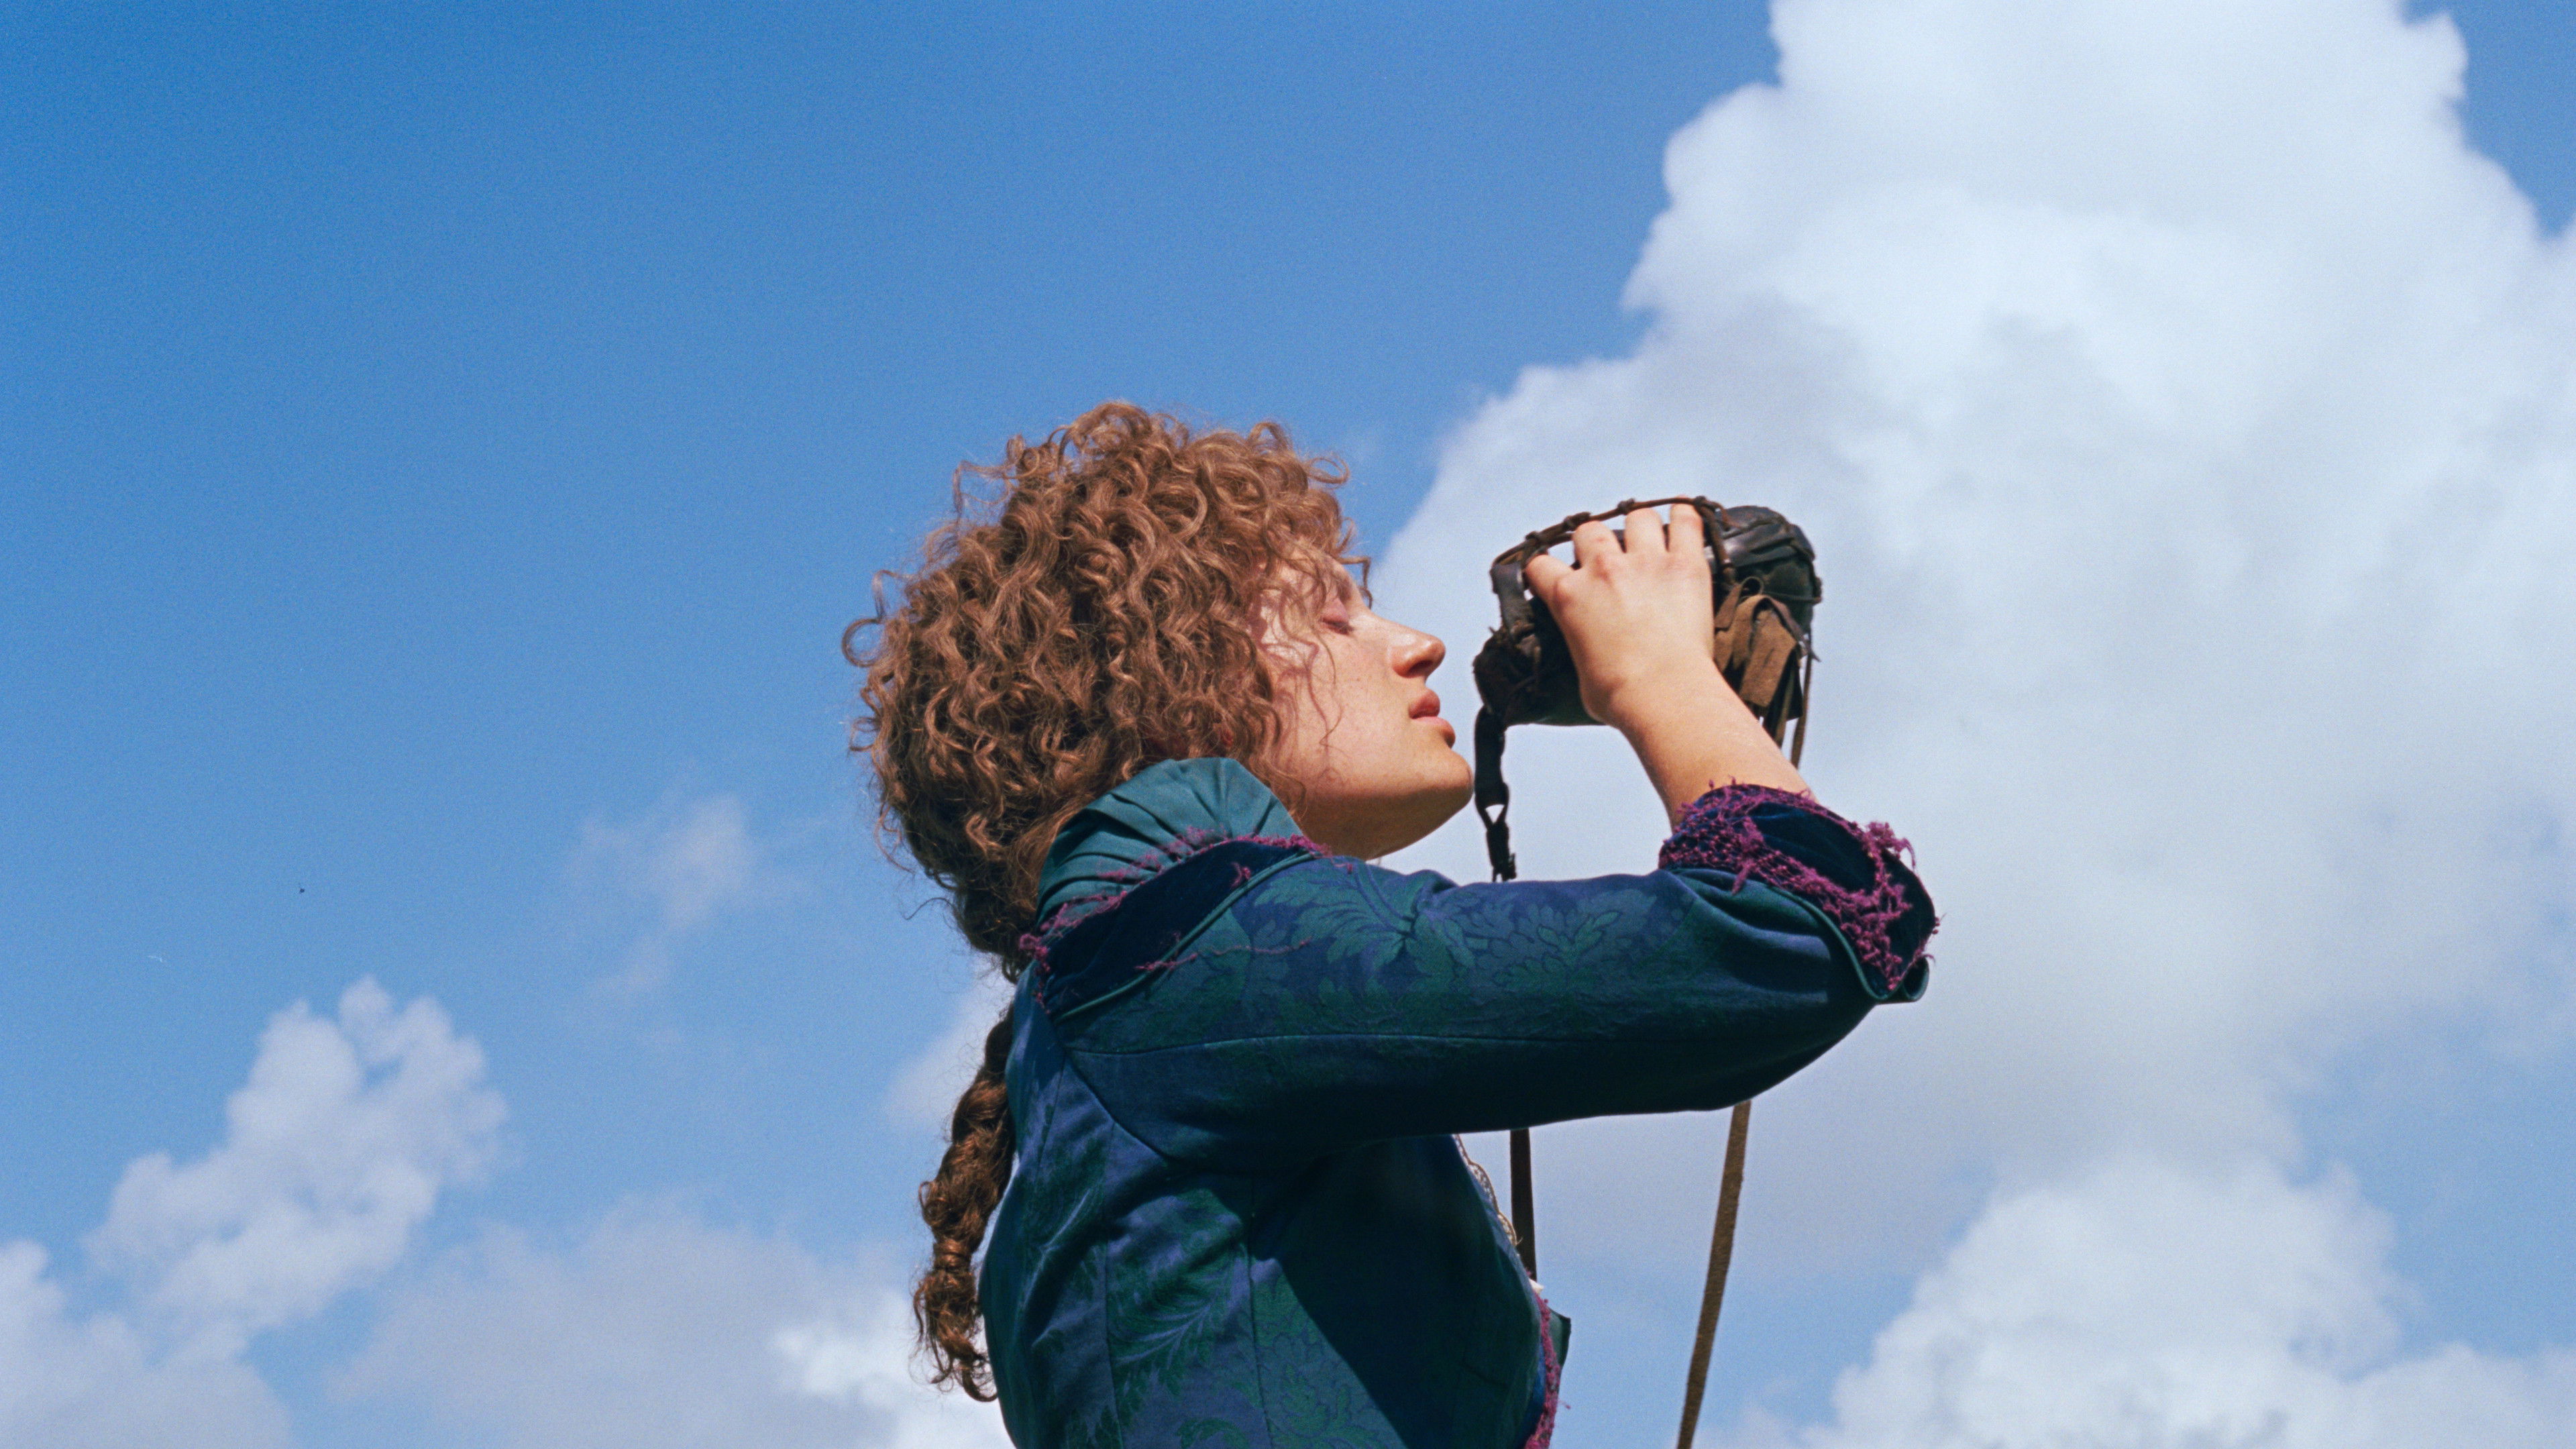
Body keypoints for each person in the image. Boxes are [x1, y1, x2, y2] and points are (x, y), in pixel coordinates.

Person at [849, 402, 1933, 1448]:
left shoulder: (1135, 983)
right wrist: (1658, 671)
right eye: (1335, 615)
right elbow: (1799, 928)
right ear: (1180, 680)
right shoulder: (1208, 951)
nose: (1417, 645)